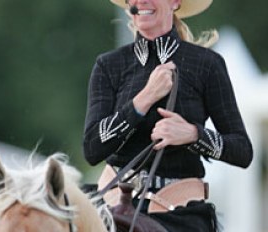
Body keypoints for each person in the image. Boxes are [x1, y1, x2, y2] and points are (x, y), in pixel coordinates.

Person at [83, 0, 253, 231]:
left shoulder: (207, 65)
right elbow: (92, 149)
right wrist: (143, 99)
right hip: (113, 203)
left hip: (180, 212)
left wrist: (194, 135)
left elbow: (242, 150)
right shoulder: (108, 65)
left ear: (175, 2)